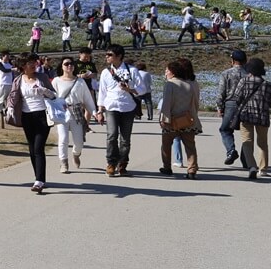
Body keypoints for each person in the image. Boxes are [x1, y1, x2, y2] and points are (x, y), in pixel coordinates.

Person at [6, 53, 56, 193]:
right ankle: (38, 178)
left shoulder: (42, 77)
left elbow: (54, 95)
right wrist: (10, 107)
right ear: (23, 66)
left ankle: (39, 181)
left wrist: (45, 91)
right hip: (27, 116)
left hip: (42, 115)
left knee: (39, 148)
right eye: (30, 63)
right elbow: (13, 95)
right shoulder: (18, 80)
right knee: (32, 148)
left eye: (35, 62)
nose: (34, 65)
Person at [96, 45, 147, 177]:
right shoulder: (106, 72)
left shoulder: (132, 71)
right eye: (106, 54)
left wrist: (129, 89)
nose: (107, 57)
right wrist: (100, 111)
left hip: (127, 107)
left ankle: (122, 163)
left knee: (125, 139)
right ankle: (111, 163)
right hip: (111, 106)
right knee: (111, 135)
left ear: (119, 56)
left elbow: (142, 89)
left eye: (110, 54)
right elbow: (102, 92)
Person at [159, 58, 201, 179]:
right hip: (187, 120)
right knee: (190, 146)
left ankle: (167, 167)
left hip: (172, 120)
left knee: (166, 144)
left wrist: (164, 119)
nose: (166, 72)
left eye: (167, 70)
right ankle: (192, 169)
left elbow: (166, 103)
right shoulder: (189, 84)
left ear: (173, 72)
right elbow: (195, 103)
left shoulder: (170, 84)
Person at [233, 57, 271, 179]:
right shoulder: (268, 84)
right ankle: (263, 169)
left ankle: (251, 166)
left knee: (247, 142)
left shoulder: (244, 81)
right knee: (262, 143)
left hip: (246, 115)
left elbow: (237, 97)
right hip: (263, 116)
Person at [52, 56, 92, 173]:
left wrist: (95, 112)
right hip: (62, 113)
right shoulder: (56, 81)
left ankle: (76, 154)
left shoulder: (80, 81)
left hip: (76, 112)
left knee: (79, 141)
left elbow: (87, 99)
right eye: (66, 64)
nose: (69, 66)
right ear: (62, 66)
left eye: (72, 64)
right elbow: (51, 97)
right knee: (63, 139)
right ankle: (63, 163)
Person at [217, 50, 249, 166]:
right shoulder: (249, 74)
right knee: (247, 133)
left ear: (232, 61)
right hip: (246, 104)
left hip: (230, 104)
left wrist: (220, 106)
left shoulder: (226, 73)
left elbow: (221, 92)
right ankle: (247, 159)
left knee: (225, 129)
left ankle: (231, 151)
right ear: (245, 61)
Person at [0, 51, 15, 117]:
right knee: (1, 98)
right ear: (2, 56)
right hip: (3, 83)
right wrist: (12, 69)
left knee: (9, 98)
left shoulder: (9, 64)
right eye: (6, 57)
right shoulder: (0, 63)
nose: (7, 58)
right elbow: (4, 70)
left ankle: (7, 110)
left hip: (10, 83)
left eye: (8, 57)